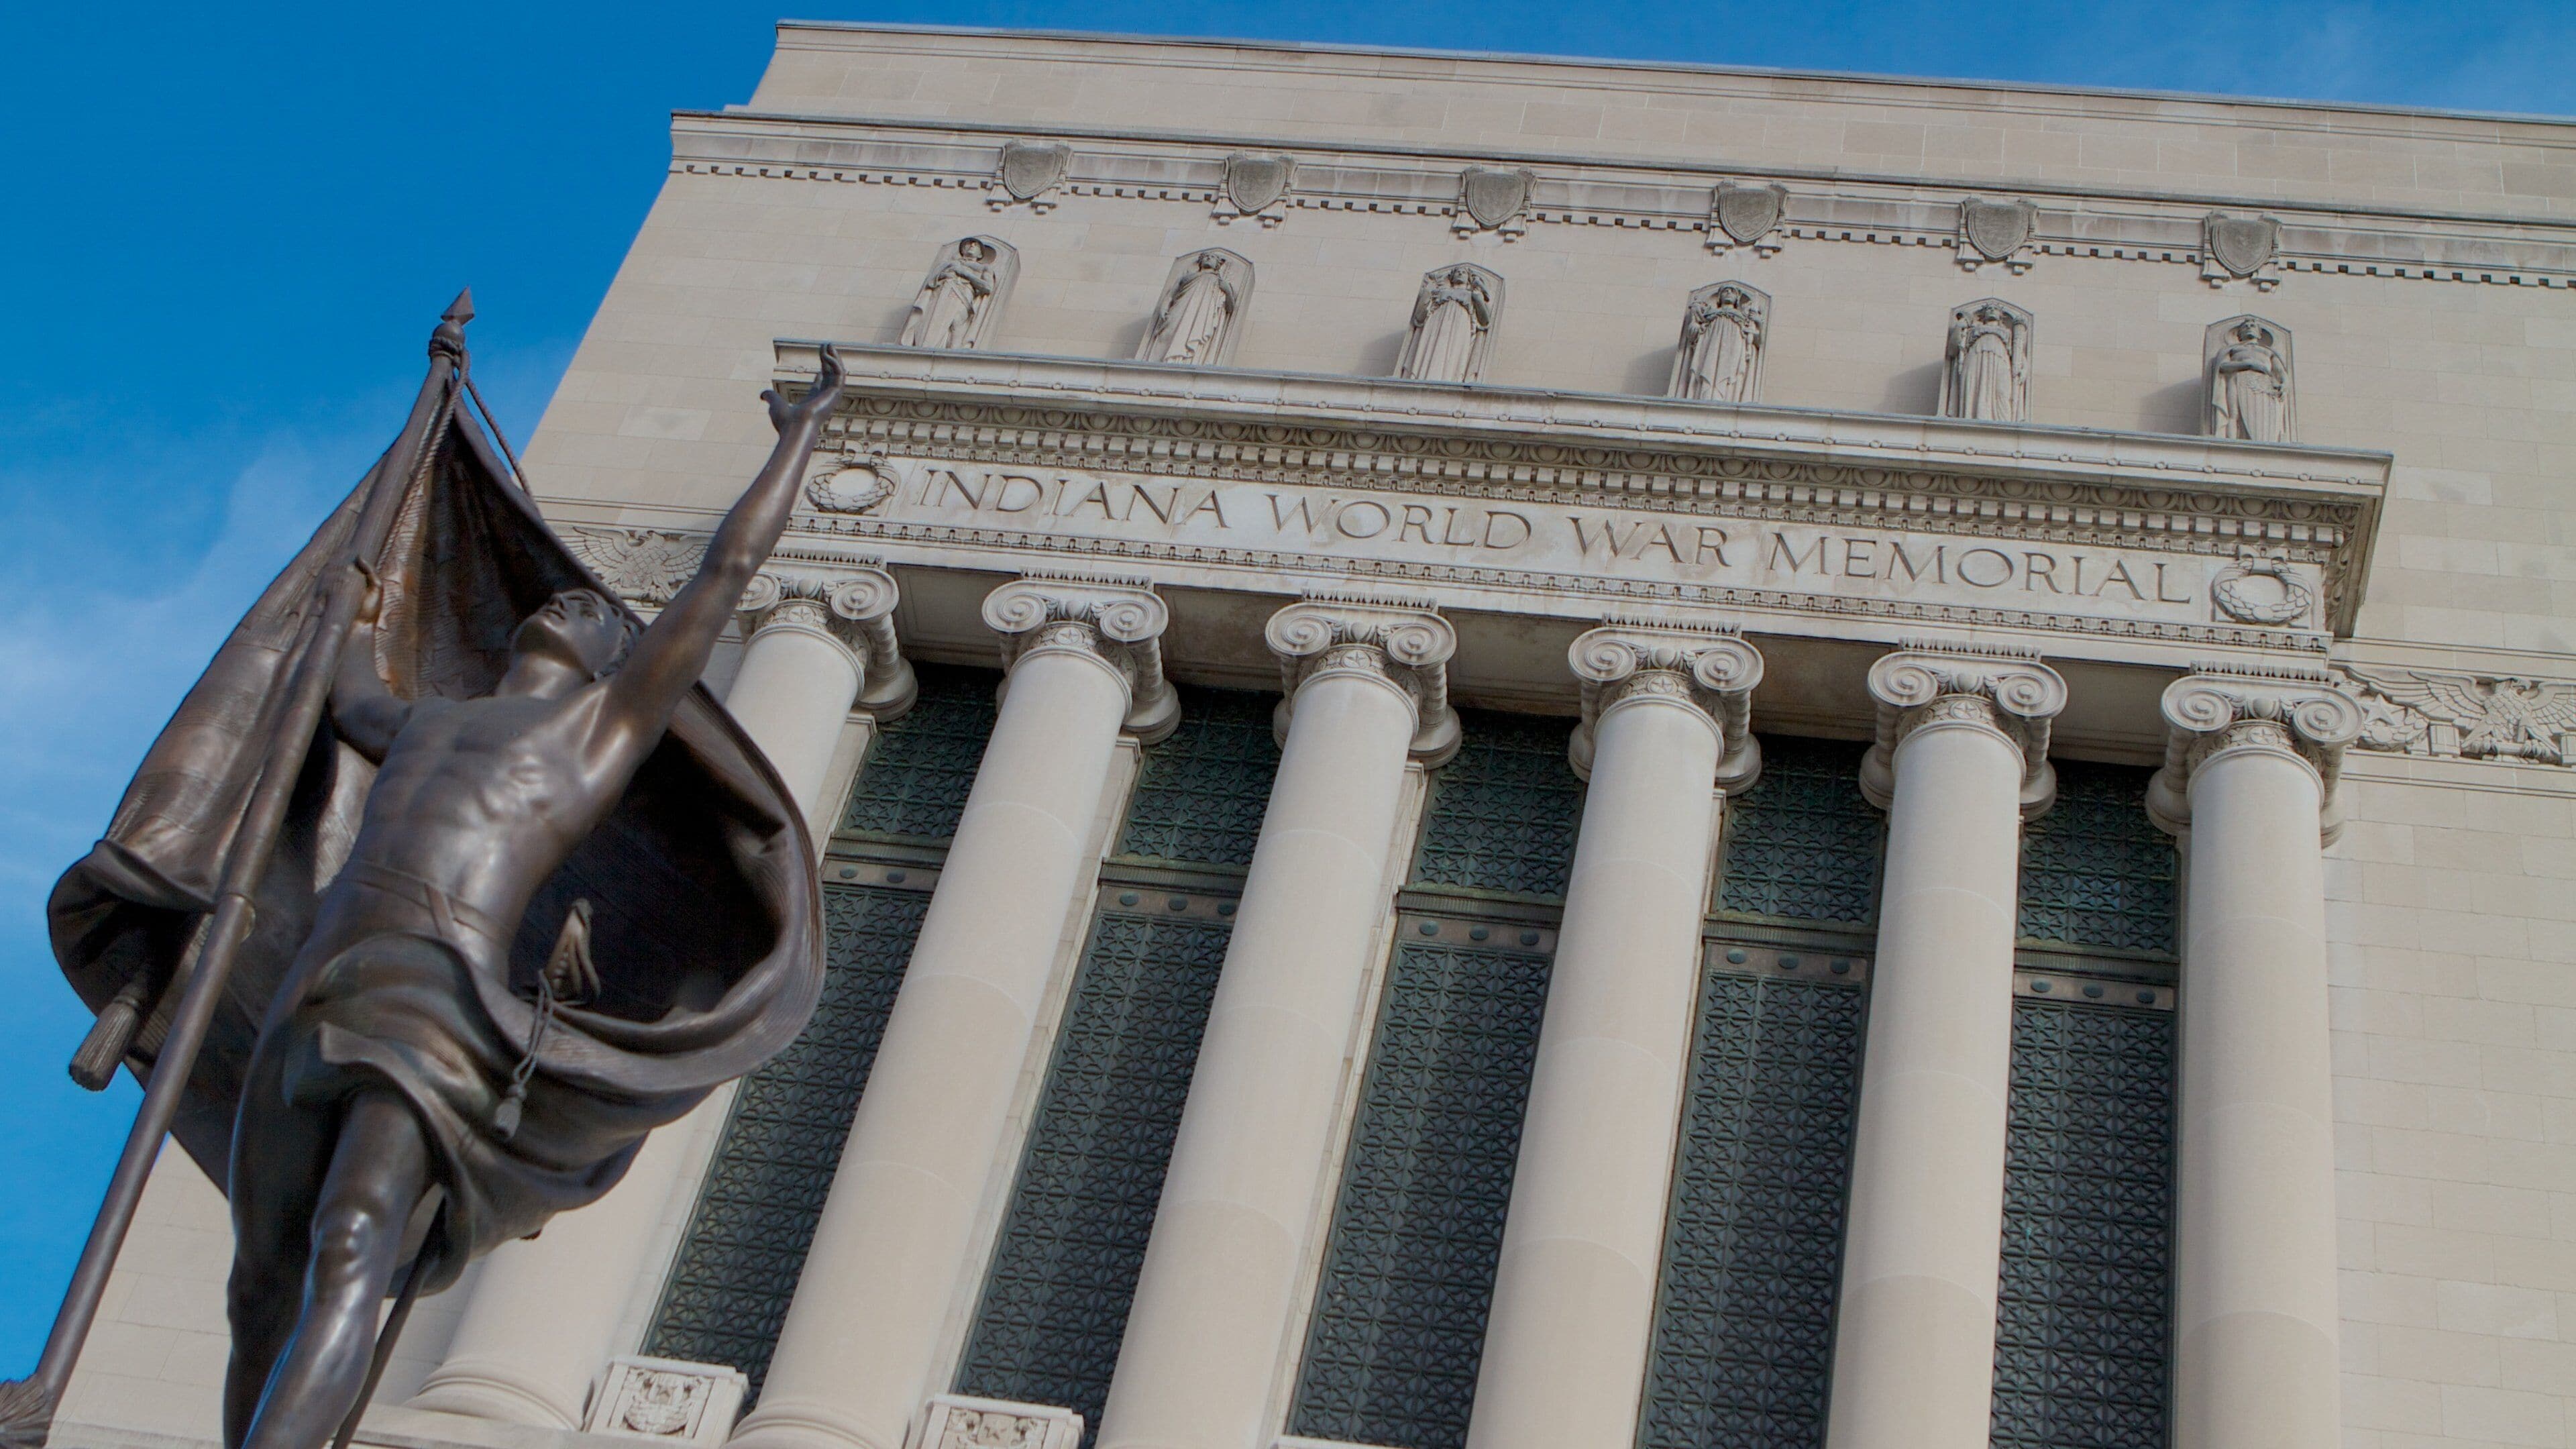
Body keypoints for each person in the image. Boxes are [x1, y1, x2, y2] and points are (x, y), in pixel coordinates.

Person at [220, 351, 847, 1449]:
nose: (570, 599)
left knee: (356, 1236)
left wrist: (797, 439)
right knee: (259, 1282)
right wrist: (361, 584)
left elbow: (721, 578)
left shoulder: (590, 738)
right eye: (556, 598)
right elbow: (346, 678)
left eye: (596, 610)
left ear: (614, 655)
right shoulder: (421, 724)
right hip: (320, 981)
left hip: (434, 985)